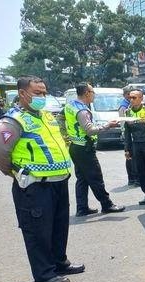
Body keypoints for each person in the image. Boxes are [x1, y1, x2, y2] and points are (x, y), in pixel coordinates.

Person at [0, 75, 84, 282]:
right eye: (37, 93)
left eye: (44, 92)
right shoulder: (12, 121)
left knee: (59, 227)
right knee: (38, 231)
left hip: (58, 181)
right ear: (22, 93)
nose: (42, 96)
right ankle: (44, 274)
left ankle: (59, 263)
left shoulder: (46, 116)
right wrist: (19, 174)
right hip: (34, 186)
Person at [58, 82, 125, 217]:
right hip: (84, 149)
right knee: (96, 178)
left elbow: (60, 119)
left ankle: (82, 208)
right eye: (93, 92)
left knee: (82, 178)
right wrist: (108, 125)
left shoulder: (70, 105)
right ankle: (107, 205)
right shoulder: (82, 110)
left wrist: (67, 135)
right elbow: (90, 130)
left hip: (75, 146)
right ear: (87, 93)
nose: (94, 95)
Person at [118, 87, 138, 187]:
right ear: (126, 95)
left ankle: (134, 178)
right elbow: (124, 122)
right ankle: (132, 179)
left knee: (132, 156)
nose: (132, 97)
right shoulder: (124, 106)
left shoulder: (128, 104)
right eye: (130, 95)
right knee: (129, 155)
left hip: (130, 133)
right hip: (127, 133)